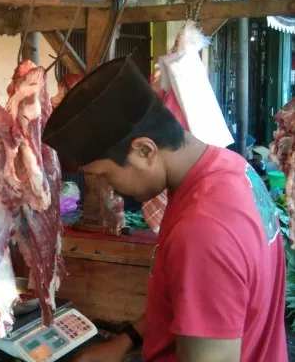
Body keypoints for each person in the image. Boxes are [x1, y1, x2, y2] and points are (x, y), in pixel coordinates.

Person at [42, 56, 287, 362]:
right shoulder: (230, 168)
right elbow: (191, 302)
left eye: (105, 175)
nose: (108, 188)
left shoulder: (202, 231)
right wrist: (124, 341)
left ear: (145, 150)